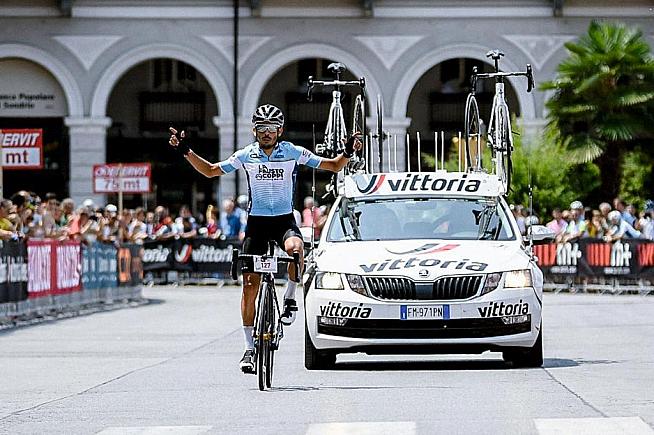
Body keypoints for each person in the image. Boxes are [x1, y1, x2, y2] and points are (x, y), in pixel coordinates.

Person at [169, 103, 362, 373]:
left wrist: (348, 151)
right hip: (257, 224)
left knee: (296, 248)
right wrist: (184, 150)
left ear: (280, 130)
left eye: (271, 129)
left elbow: (332, 166)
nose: (267, 133)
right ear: (255, 130)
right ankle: (249, 347)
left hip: (283, 221)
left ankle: (291, 298)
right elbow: (212, 170)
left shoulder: (292, 152)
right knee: (250, 286)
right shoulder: (247, 155)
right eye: (261, 128)